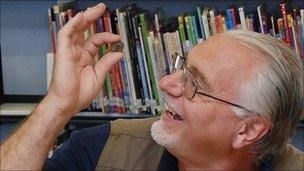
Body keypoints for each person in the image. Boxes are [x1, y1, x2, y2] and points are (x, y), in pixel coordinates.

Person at [0, 3, 303, 171]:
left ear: (247, 131)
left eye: (195, 84)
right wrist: (56, 105)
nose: (166, 83)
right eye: (181, 66)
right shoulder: (104, 147)